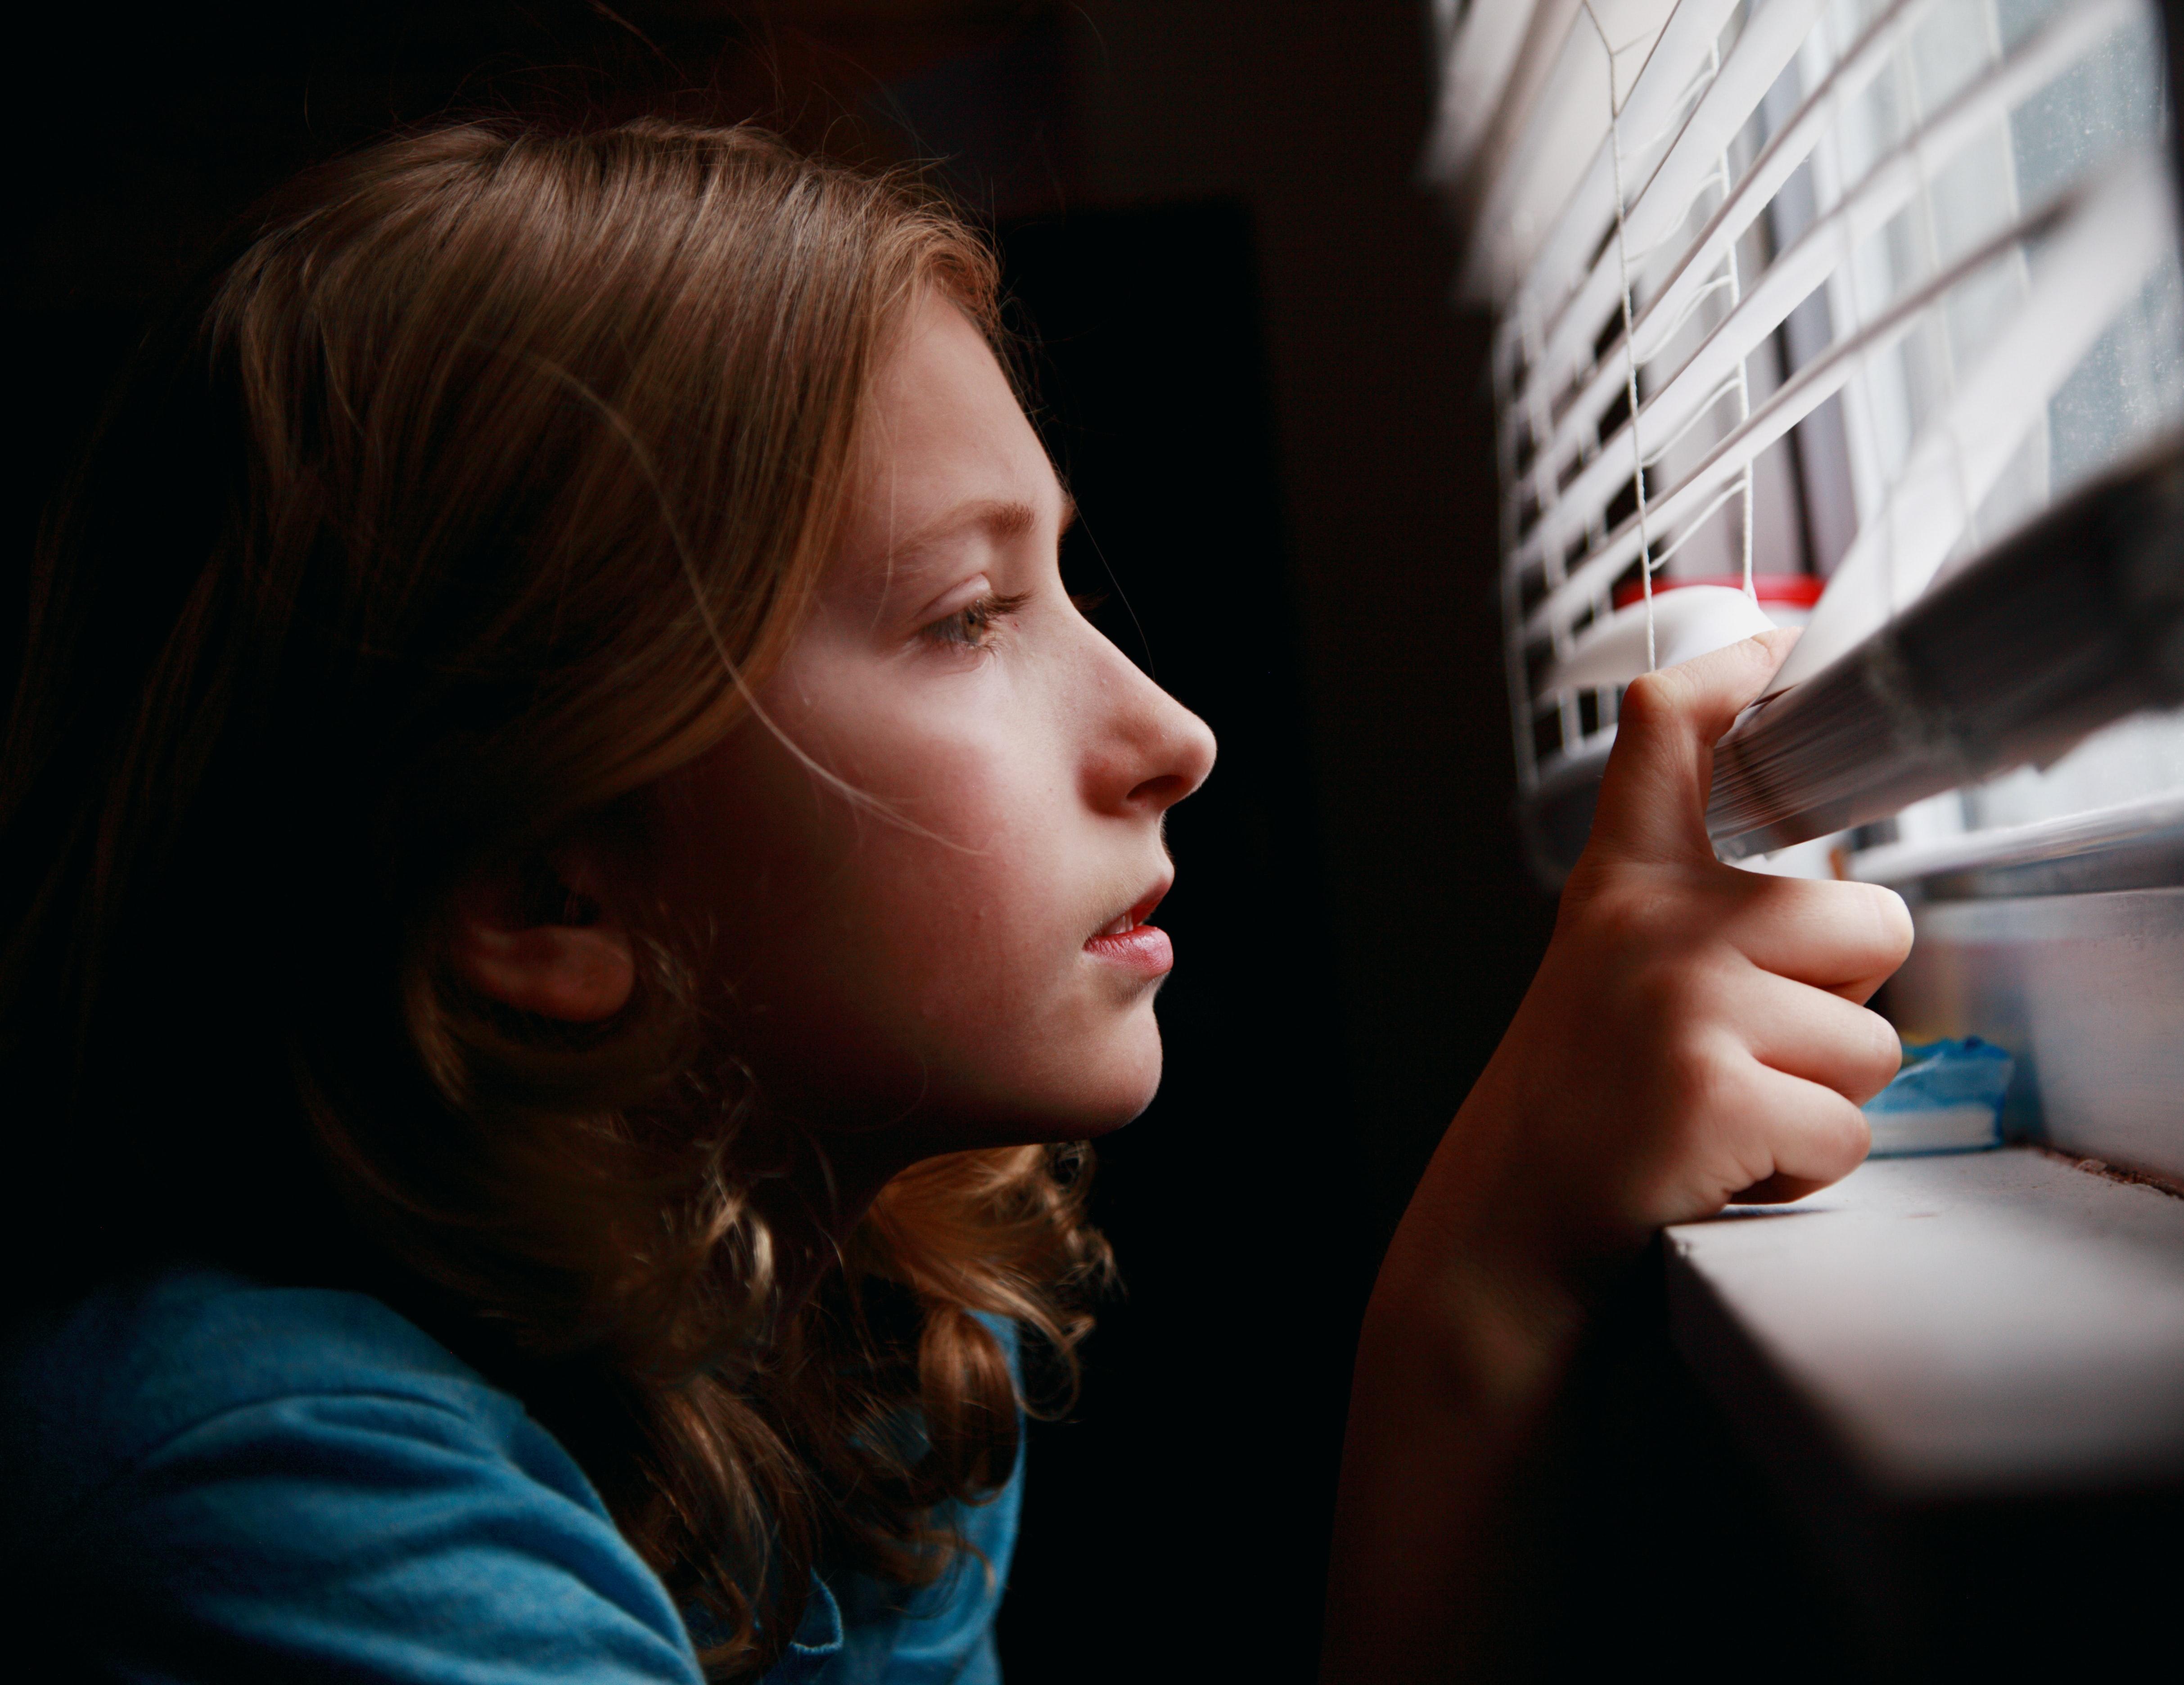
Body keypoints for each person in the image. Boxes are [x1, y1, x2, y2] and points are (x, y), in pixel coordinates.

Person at [0, 119, 1909, 1682]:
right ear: (548, 888)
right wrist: (1480, 1266)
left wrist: (1488, 1287)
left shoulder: (859, 1327)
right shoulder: (266, 1487)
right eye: (968, 616)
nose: (1174, 735)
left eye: (1060, 583)